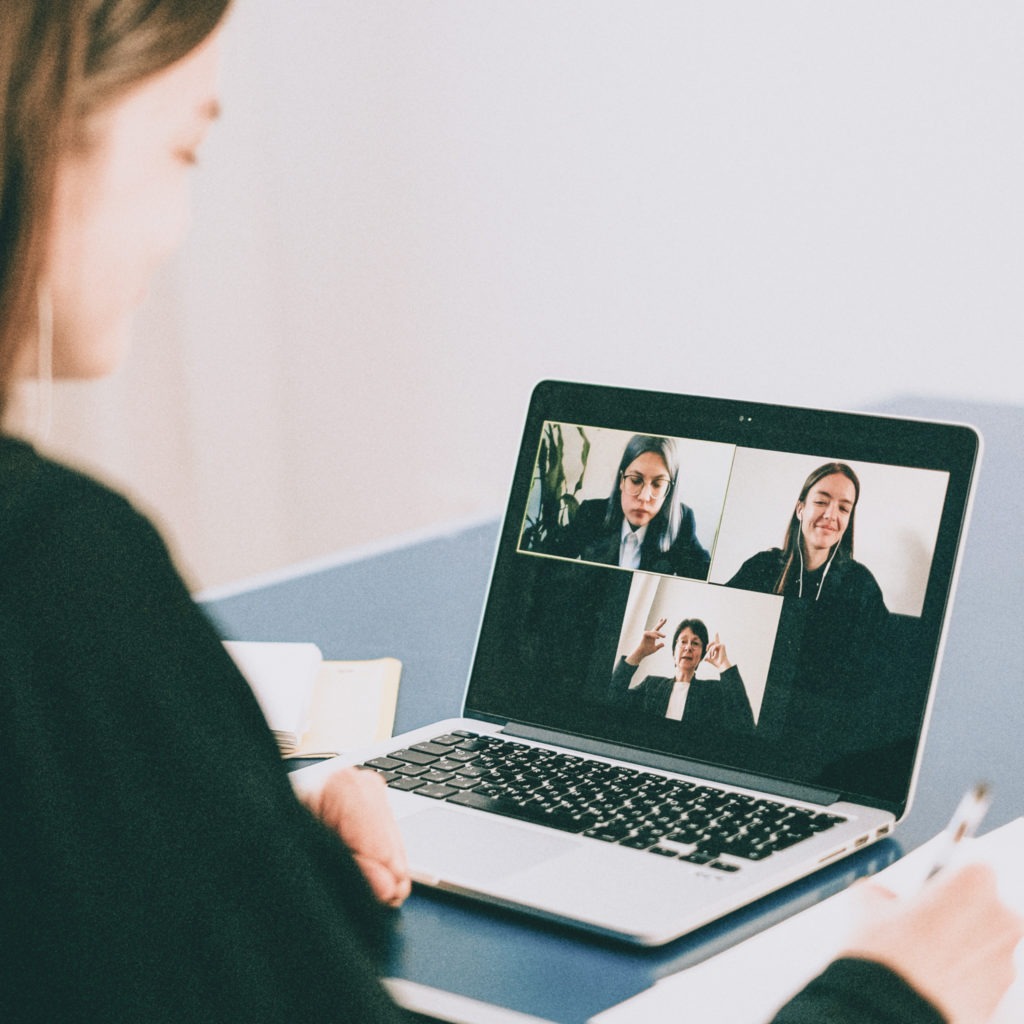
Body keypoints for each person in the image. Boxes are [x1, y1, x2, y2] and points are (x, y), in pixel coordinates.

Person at [0, 4, 1019, 1022]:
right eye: (185, 146)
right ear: (43, 128)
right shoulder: (60, 580)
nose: (182, 223)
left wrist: (248, 833)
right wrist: (885, 997)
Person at [727, 461, 886, 620]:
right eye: (821, 502)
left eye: (843, 508)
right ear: (800, 509)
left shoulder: (861, 583)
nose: (831, 515)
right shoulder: (760, 568)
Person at [552, 433, 711, 579]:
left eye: (657, 484)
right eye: (635, 480)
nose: (644, 497)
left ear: (669, 490)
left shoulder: (681, 523)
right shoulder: (592, 513)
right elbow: (547, 563)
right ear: (622, 480)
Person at [610, 616, 754, 733]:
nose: (688, 647)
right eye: (683, 642)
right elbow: (611, 700)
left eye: (695, 643)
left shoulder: (713, 691)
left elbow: (744, 725)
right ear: (674, 652)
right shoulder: (651, 685)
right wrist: (639, 653)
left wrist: (724, 664)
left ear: (701, 655)